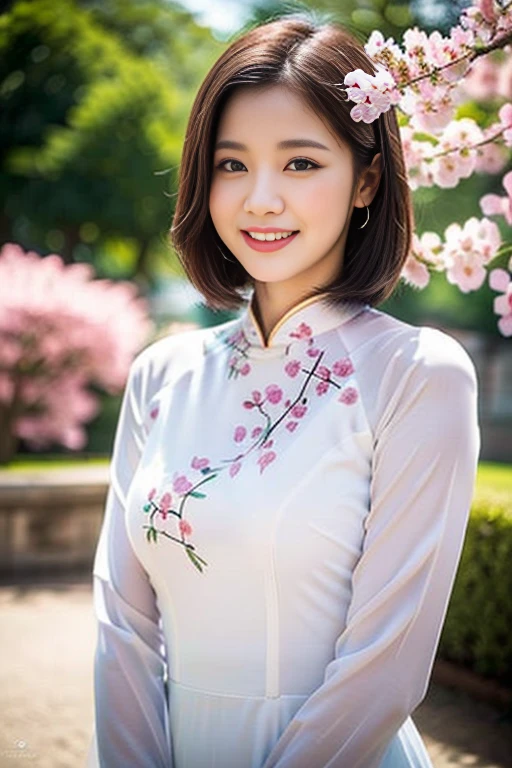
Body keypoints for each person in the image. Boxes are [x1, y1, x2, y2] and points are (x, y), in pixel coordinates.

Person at [86, 11, 481, 768]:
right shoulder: (162, 374)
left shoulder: (416, 376)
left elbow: (387, 663)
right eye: (232, 165)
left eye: (300, 163)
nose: (260, 198)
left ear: (367, 178)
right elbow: (122, 629)